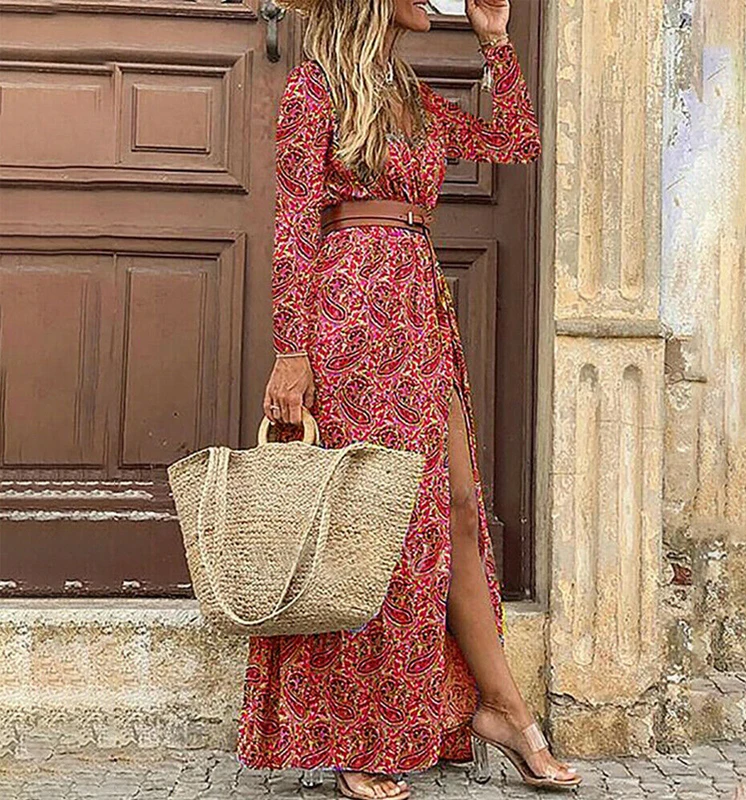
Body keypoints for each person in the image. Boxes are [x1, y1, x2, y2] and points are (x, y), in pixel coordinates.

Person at [236, 0, 582, 796]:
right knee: (370, 522)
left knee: (455, 506)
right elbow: (293, 224)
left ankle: (500, 708)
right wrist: (291, 350)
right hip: (350, 316)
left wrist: (497, 42)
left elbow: (515, 141)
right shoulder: (315, 89)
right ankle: (360, 733)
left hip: (418, 309)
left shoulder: (413, 96)